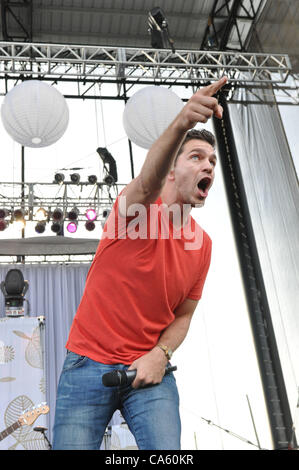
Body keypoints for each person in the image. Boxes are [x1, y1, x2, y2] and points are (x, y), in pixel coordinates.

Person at [52, 76, 228, 450]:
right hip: (86, 365)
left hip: (149, 369)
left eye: (212, 160)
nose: (208, 165)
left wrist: (160, 355)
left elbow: (183, 316)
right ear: (170, 169)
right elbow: (147, 183)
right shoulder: (134, 213)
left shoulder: (204, 246)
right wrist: (182, 122)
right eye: (195, 157)